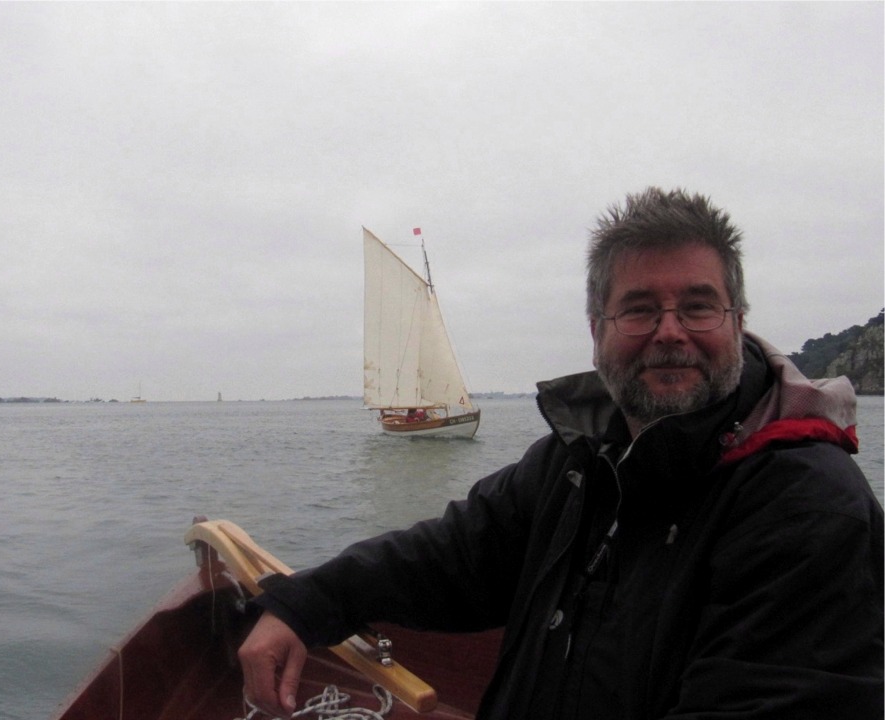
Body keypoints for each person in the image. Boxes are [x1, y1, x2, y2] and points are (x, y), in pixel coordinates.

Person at [239, 188, 884, 718]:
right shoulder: (580, 463)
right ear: (596, 332)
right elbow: (454, 554)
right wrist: (306, 604)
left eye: (697, 306)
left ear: (737, 323)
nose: (669, 332)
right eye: (637, 310)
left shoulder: (809, 510)